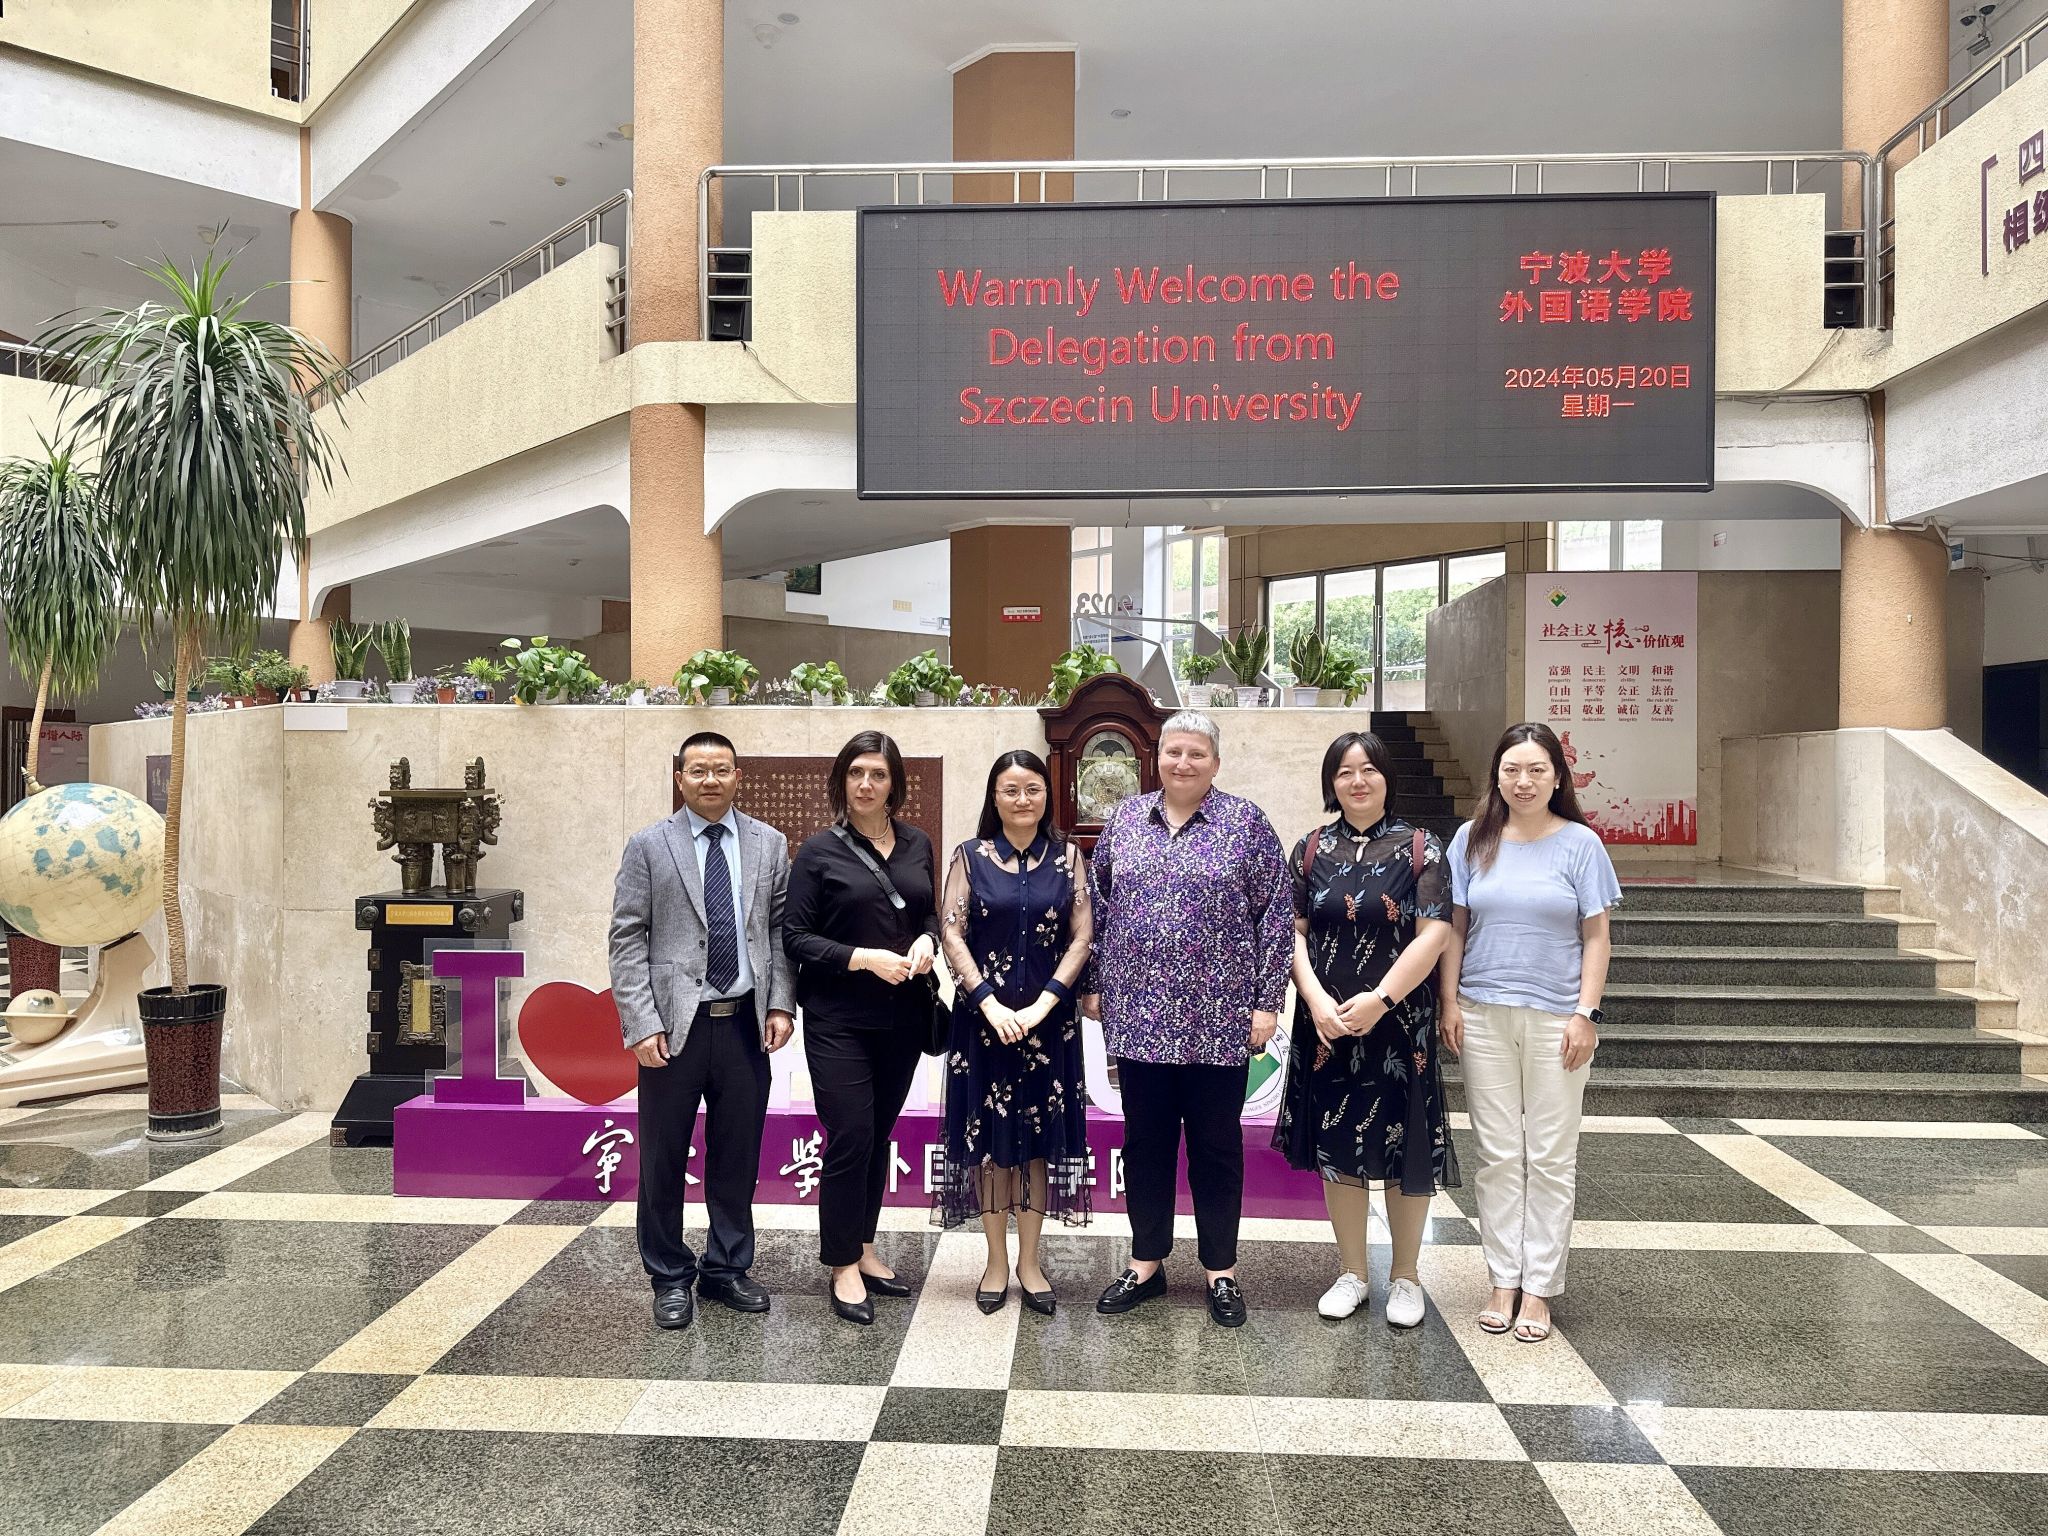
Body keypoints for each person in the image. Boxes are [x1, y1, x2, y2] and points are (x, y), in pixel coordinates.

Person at [1082, 711, 1291, 1329]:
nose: (1183, 762)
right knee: (1145, 1145)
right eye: (1174, 751)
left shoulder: (1246, 824)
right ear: (1158, 758)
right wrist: (1093, 983)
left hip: (1219, 1019)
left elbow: (1276, 915)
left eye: (1197, 753)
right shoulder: (1125, 820)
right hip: (1139, 1018)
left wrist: (1266, 1002)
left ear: (1215, 763)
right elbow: (1096, 907)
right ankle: (1146, 1263)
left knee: (1216, 1149)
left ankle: (1220, 1271)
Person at [609, 731, 796, 1331]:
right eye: (698, 770)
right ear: (680, 779)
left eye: (721, 769)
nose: (710, 780)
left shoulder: (769, 844)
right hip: (672, 1029)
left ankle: (726, 1268)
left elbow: (778, 931)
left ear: (738, 776)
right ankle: (669, 1275)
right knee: (663, 1158)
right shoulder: (649, 845)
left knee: (737, 1156)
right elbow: (626, 937)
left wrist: (781, 1004)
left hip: (744, 1023)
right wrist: (641, 1022)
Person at [1439, 721, 1618, 1345]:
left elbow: (1597, 935)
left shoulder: (1580, 844)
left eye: (1537, 770)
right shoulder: (1472, 839)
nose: (1523, 781)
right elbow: (1455, 927)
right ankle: (1502, 1280)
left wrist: (1586, 1014)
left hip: (1556, 1019)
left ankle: (1539, 1287)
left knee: (1549, 1155)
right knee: (1497, 1155)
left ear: (1557, 776)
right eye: (1511, 770)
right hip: (1482, 1013)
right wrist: (1449, 1002)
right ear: (1496, 776)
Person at [1274, 731, 1457, 1329]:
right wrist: (1315, 1000)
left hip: (1400, 1023)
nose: (1357, 781)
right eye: (1345, 771)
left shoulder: (1421, 849)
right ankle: (1353, 1272)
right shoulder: (1310, 849)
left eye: (1369, 770)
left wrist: (1381, 1000)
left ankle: (1405, 1276)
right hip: (1327, 1024)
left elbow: (1435, 932)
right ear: (1332, 782)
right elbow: (1292, 932)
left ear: (1386, 779)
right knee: (1338, 1144)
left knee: (1406, 1146)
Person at [784, 731, 940, 1326]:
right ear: (841, 781)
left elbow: (928, 911)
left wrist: (927, 940)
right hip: (838, 1020)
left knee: (877, 1133)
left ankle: (866, 1246)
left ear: (894, 783)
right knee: (850, 1133)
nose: (866, 784)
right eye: (856, 773)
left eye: (878, 774)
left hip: (901, 1019)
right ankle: (841, 1262)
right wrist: (862, 958)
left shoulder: (917, 842)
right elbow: (796, 937)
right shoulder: (818, 852)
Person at [936, 750, 1093, 1315]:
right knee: (991, 1148)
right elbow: (952, 932)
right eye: (1010, 790)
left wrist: (1045, 1003)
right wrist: (988, 1002)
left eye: (1032, 789)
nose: (1022, 799)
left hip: (1049, 1026)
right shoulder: (970, 857)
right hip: (984, 1027)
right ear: (994, 797)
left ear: (1047, 795)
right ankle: (996, 1261)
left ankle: (1030, 1261)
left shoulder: (1069, 857)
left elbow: (1082, 936)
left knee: (1038, 1146)